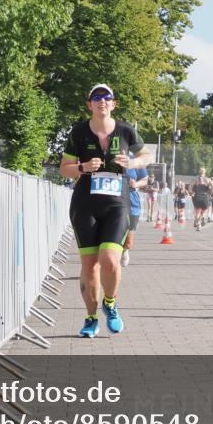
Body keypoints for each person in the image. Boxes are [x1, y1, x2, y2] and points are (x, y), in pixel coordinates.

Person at [59, 84, 151, 338]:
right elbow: (64, 168)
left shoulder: (125, 130)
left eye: (106, 97)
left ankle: (109, 303)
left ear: (113, 104)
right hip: (85, 204)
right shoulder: (78, 132)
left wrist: (131, 162)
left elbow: (146, 157)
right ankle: (90, 318)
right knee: (89, 266)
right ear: (89, 104)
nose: (102, 101)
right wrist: (83, 167)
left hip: (116, 204)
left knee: (110, 259)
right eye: (96, 97)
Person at [122, 165, 149, 267]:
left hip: (132, 202)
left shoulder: (135, 161)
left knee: (128, 242)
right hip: (113, 200)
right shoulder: (108, 156)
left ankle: (124, 250)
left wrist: (136, 184)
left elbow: (145, 179)